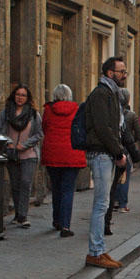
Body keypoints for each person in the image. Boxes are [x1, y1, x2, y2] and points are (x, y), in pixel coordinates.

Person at [84, 56, 128, 269]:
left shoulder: (111, 93)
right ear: (110, 73)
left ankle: (99, 249)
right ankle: (95, 252)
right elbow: (103, 128)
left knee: (104, 202)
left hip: (106, 153)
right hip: (101, 153)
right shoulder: (101, 94)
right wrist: (118, 152)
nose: (124, 75)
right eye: (121, 71)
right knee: (101, 204)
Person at [0, 84, 43, 229]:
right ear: (13, 96)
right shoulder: (6, 113)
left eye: (23, 95)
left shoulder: (34, 114)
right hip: (11, 153)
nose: (20, 98)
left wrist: (25, 145)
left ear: (27, 98)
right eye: (18, 95)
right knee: (15, 184)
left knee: (25, 182)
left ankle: (23, 216)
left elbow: (39, 134)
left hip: (29, 154)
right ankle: (17, 214)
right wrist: (8, 143)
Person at [41, 84, 85, 237]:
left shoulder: (48, 110)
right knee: (67, 190)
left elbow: (44, 128)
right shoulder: (77, 109)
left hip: (53, 153)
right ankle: (65, 225)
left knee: (56, 188)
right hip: (72, 153)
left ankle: (57, 220)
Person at [113, 88, 140, 213]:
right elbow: (139, 134)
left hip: (112, 147)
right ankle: (122, 204)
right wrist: (132, 140)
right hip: (125, 149)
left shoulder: (111, 113)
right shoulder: (131, 115)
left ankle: (113, 201)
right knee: (124, 177)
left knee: (113, 177)